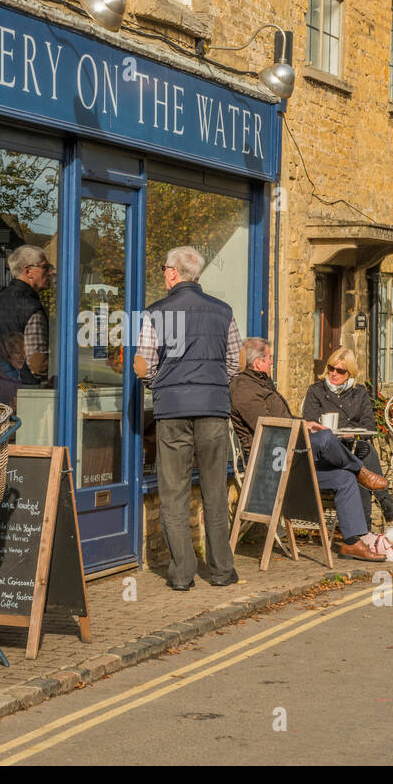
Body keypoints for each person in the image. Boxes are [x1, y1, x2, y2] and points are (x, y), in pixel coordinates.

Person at [133, 246, 242, 590]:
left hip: (172, 410)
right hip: (212, 408)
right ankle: (222, 571)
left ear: (174, 273)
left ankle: (181, 574)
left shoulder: (156, 312)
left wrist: (159, 382)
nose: (164, 273)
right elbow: (234, 364)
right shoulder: (223, 311)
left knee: (174, 491)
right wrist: (209, 385)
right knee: (213, 490)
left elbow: (145, 365)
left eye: (165, 268)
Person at [230, 337, 390, 562]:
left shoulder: (262, 384)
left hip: (289, 456)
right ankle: (360, 471)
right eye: (269, 359)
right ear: (257, 363)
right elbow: (268, 427)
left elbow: (281, 420)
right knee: (324, 438)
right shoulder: (243, 389)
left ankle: (352, 543)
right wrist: (302, 427)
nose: (272, 363)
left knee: (343, 478)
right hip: (271, 462)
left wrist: (304, 424)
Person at [302, 347, 393, 527]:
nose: (334, 373)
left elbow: (368, 424)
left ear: (350, 373)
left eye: (340, 371)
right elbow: (309, 422)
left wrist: (351, 433)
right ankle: (383, 505)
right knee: (364, 458)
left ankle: (363, 528)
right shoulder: (316, 391)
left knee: (363, 453)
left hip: (351, 445)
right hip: (326, 451)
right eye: (331, 368)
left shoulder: (359, 392)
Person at [0, 244, 52, 408]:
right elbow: (37, 364)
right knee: (22, 434)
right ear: (28, 271)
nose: (50, 272)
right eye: (45, 267)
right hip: (21, 394)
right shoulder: (32, 308)